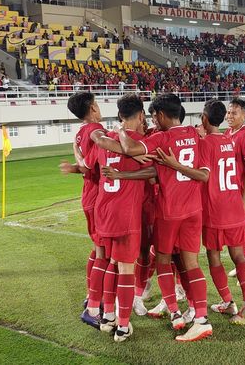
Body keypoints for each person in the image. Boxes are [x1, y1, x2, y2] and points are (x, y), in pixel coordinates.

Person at [99, 93, 213, 342]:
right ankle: (201, 318)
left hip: (170, 211)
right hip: (194, 211)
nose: (151, 121)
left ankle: (174, 312)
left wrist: (120, 129)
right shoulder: (194, 135)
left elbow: (129, 148)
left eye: (153, 116)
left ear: (161, 115)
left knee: (161, 259)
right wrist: (174, 166)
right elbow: (203, 176)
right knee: (191, 263)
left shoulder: (162, 137)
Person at [80, 94, 153, 342]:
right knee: (125, 269)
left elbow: (90, 152)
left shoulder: (104, 139)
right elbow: (154, 173)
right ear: (141, 115)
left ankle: (107, 316)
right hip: (126, 215)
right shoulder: (141, 145)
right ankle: (122, 325)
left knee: (111, 262)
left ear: (120, 115)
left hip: (103, 212)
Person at [196, 100, 245, 324]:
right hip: (233, 206)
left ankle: (228, 302)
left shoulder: (206, 143)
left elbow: (202, 175)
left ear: (204, 118)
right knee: (238, 255)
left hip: (214, 208)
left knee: (213, 256)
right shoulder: (228, 140)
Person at [59, 91, 108, 329]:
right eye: (97, 104)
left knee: (98, 249)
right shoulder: (96, 131)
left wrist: (75, 165)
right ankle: (92, 308)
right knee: (104, 253)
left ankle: (92, 295)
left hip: (91, 196)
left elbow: (84, 164)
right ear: (92, 108)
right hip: (99, 197)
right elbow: (90, 166)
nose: (99, 107)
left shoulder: (81, 133)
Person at [224, 98, 245, 277]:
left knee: (244, 229)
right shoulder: (228, 133)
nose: (229, 116)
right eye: (229, 112)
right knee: (236, 230)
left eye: (234, 113)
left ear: (244, 116)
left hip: (243, 191)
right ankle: (242, 264)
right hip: (231, 191)